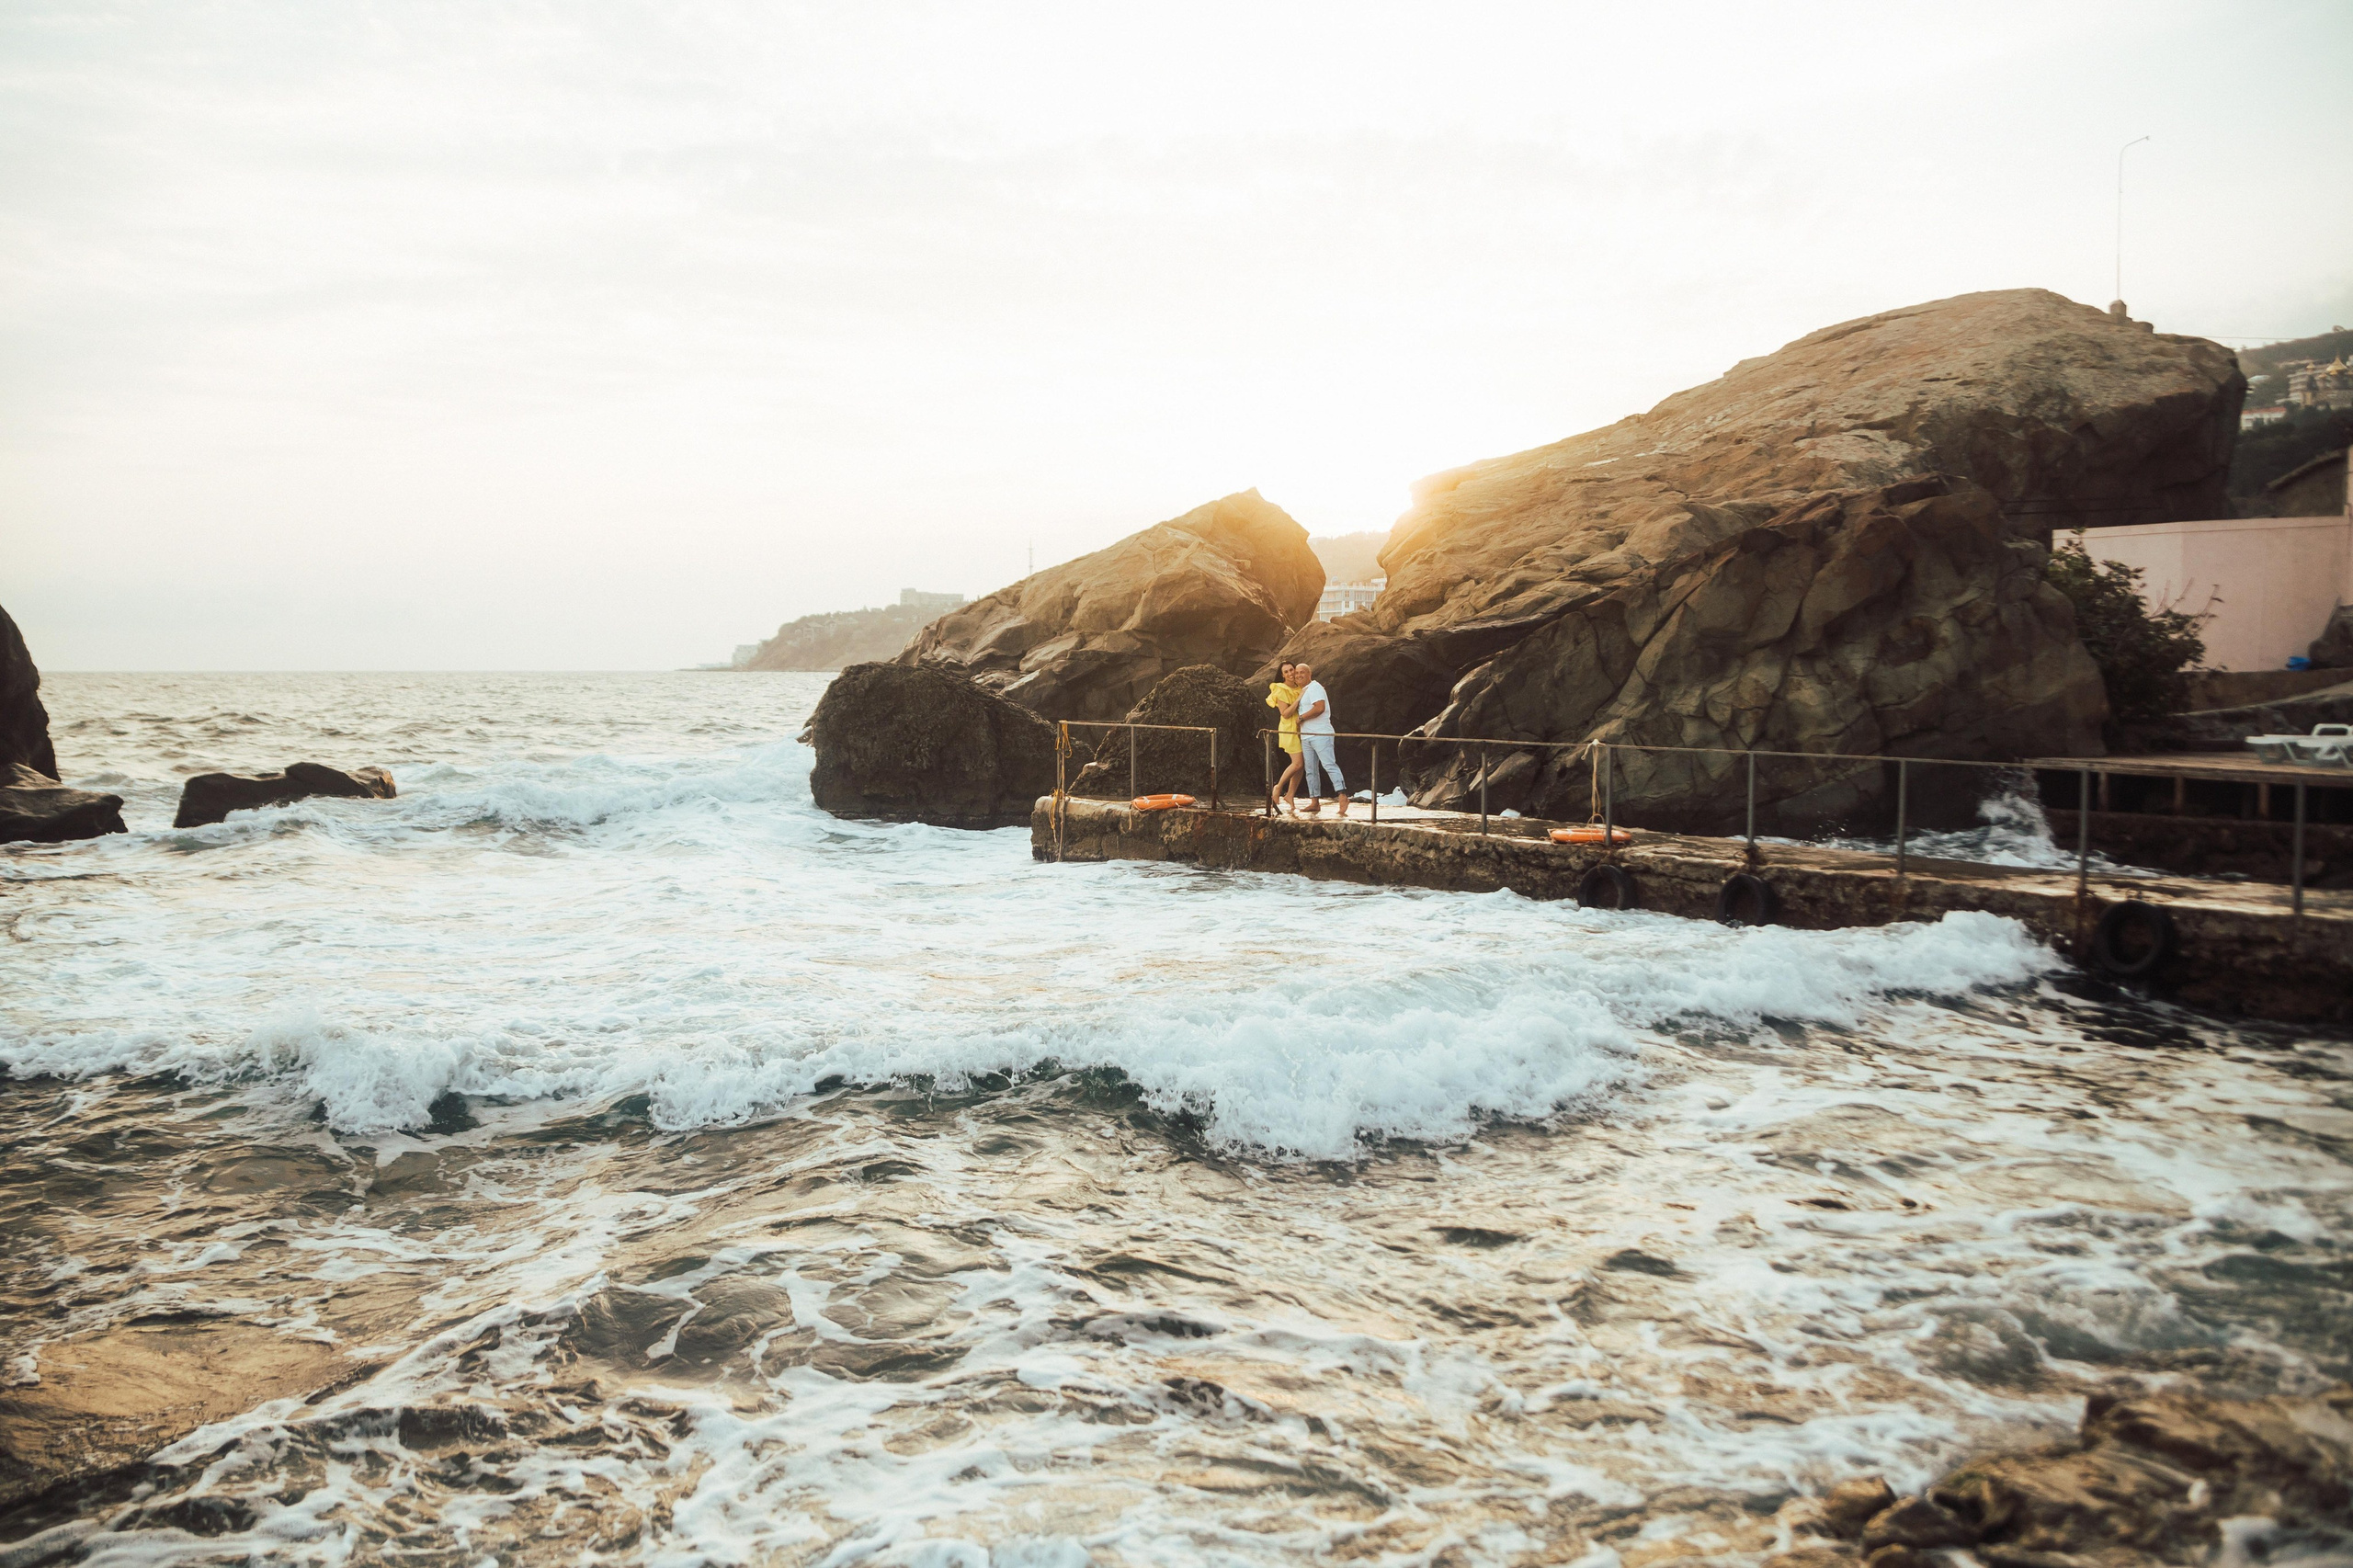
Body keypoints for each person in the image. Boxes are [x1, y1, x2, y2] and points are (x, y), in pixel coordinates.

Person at [1291, 663, 1347, 817]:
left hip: (1321, 734)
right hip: (1307, 736)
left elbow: (1319, 708)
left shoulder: (1315, 687)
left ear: (1309, 674)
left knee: (1329, 765)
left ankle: (1342, 796)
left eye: (1302, 672)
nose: (1298, 675)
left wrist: (1301, 717)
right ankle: (1314, 801)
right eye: (1296, 673)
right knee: (1311, 770)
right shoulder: (1304, 690)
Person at [1266, 662, 1305, 814]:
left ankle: (1290, 795)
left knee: (1301, 764)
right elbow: (1285, 713)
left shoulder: (1299, 688)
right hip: (1289, 729)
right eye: (1286, 672)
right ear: (1282, 675)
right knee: (1297, 763)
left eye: (1292, 670)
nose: (1290, 673)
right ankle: (1278, 787)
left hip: (1301, 728)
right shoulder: (1281, 689)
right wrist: (1298, 699)